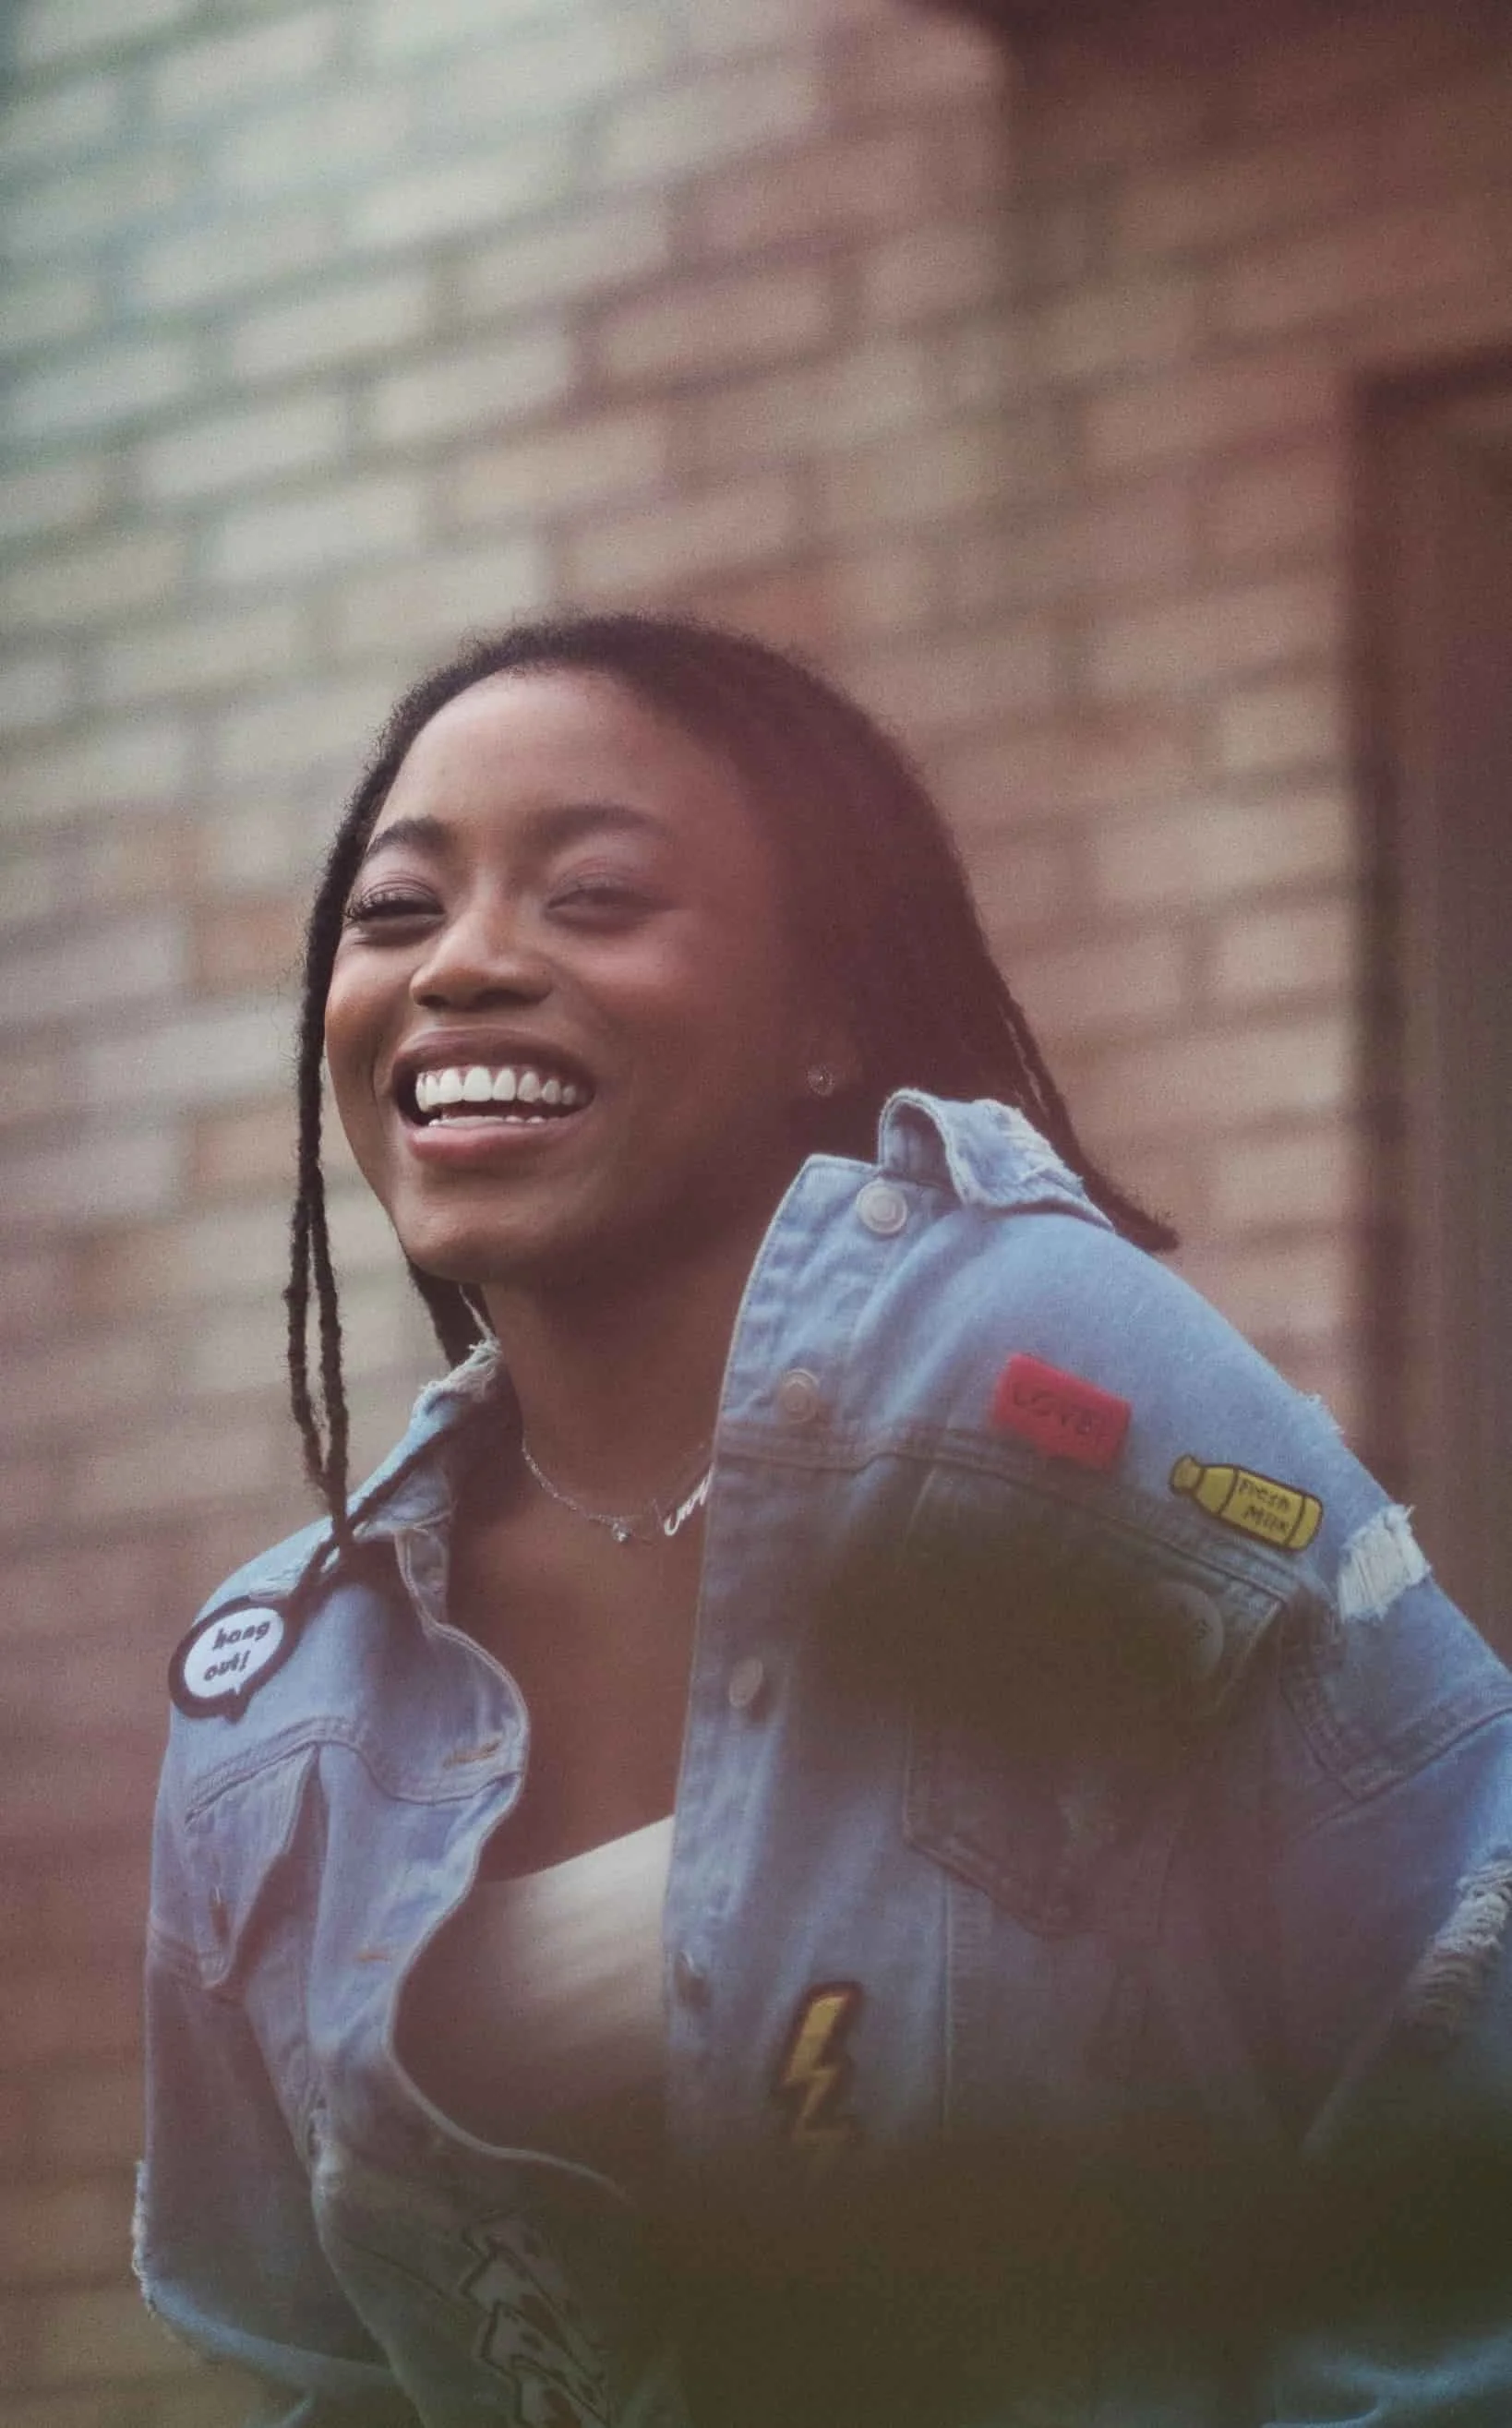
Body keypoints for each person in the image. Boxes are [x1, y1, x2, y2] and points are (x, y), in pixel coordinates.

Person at [138, 610, 1512, 2427]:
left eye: (596, 896)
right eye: (397, 912)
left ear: (823, 1015)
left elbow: (1462, 2009)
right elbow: (318, 2360)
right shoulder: (280, 1701)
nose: (463, 963)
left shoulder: (1043, 1384)